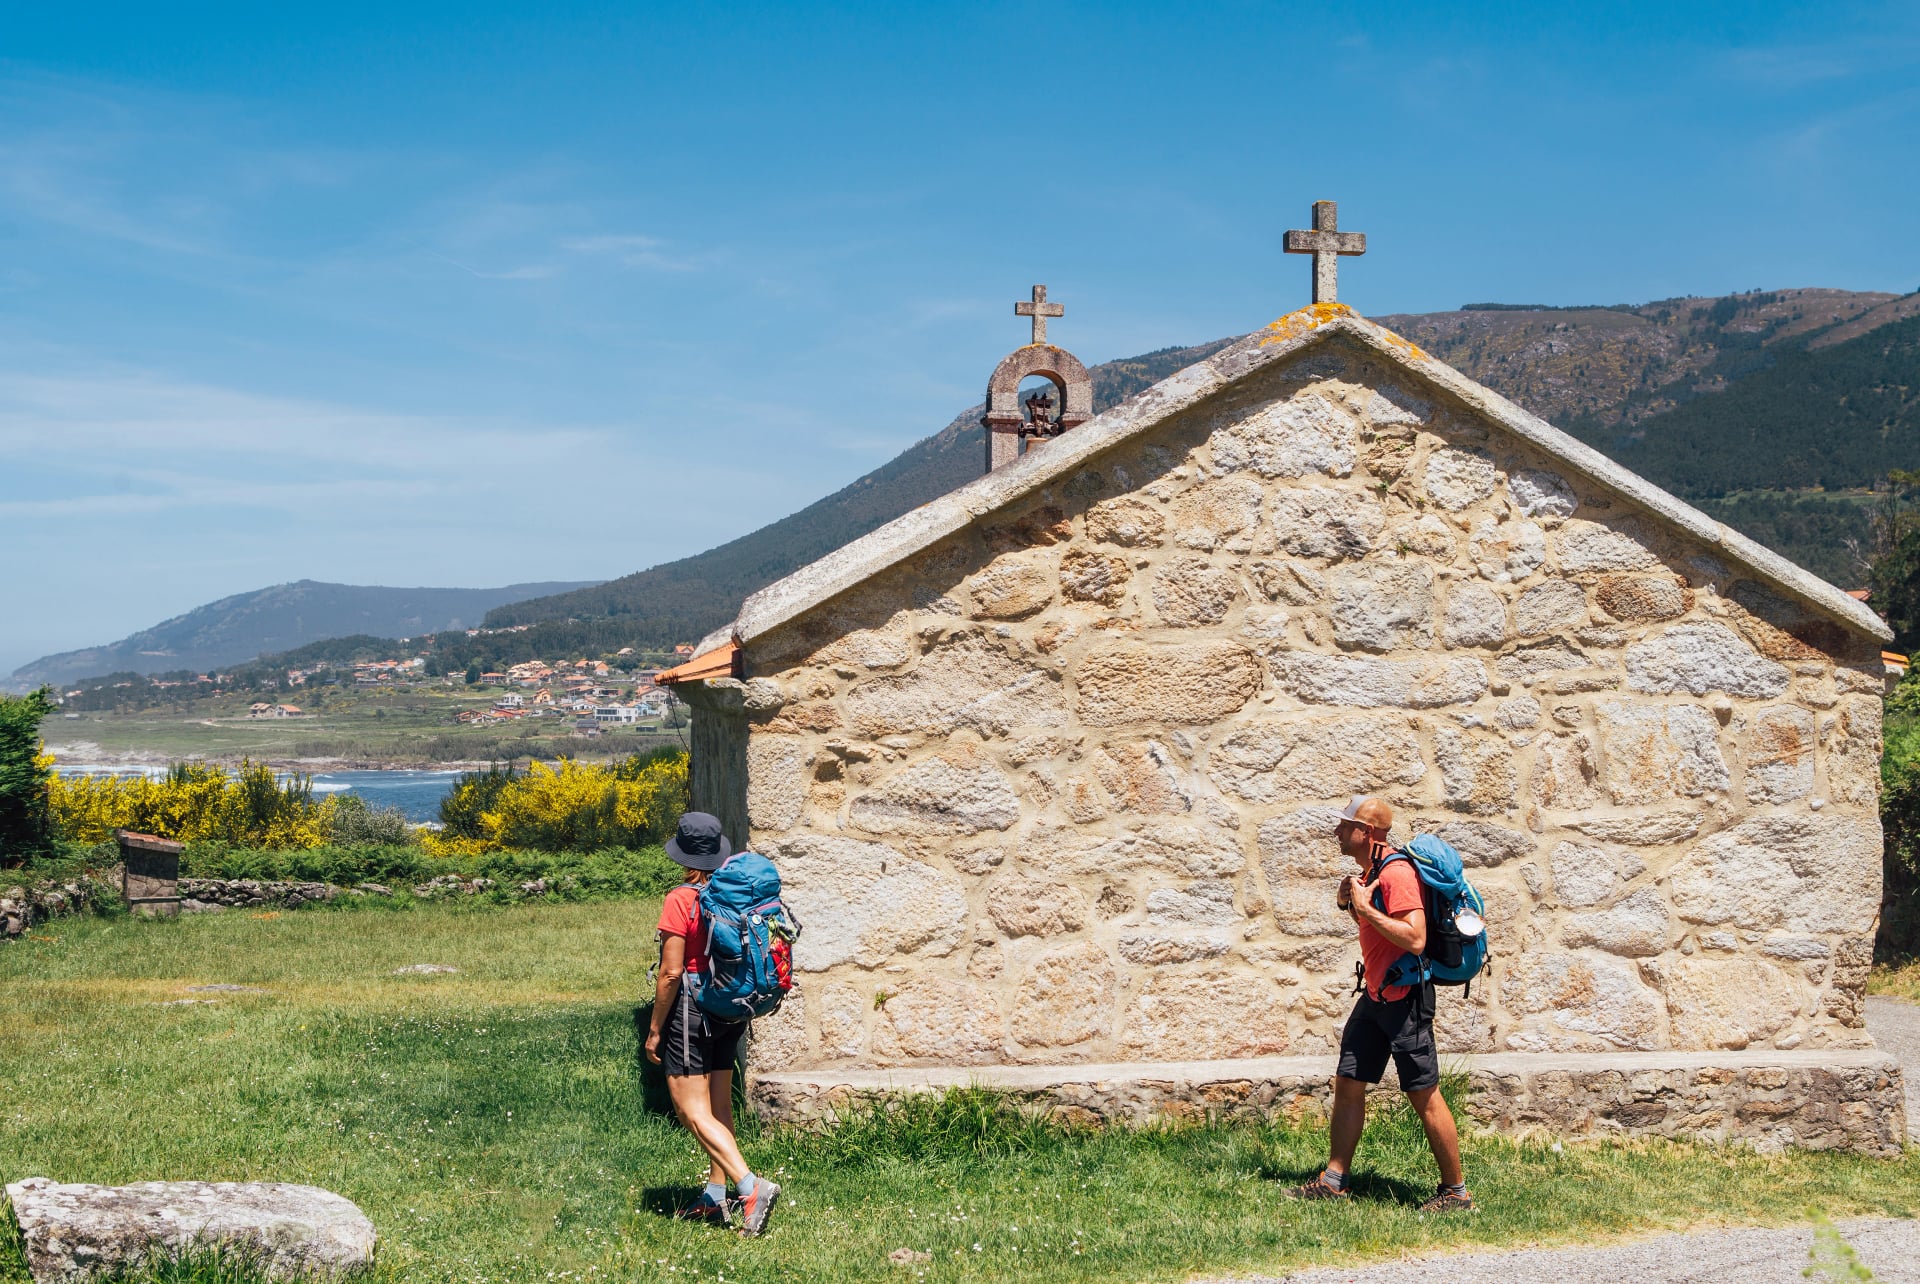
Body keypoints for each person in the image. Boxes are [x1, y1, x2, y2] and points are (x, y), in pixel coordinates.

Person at [1288, 795, 1473, 1213]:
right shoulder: (1371, 872)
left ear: (1366, 831)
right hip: (1374, 997)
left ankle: (1457, 1193)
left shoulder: (1398, 873)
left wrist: (1367, 909)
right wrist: (1351, 905)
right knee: (1349, 1081)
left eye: (1344, 824)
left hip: (1406, 1001)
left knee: (1424, 1094)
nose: (1337, 831)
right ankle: (1334, 1180)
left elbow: (1415, 937)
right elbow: (1378, 932)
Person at [644, 811, 782, 1236]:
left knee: (690, 1108)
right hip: (730, 1004)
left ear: (683, 854)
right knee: (720, 1107)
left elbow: (669, 974)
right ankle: (715, 1195)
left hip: (692, 1008)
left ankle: (749, 1186)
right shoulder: (735, 892)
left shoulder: (680, 899)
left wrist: (654, 1031)